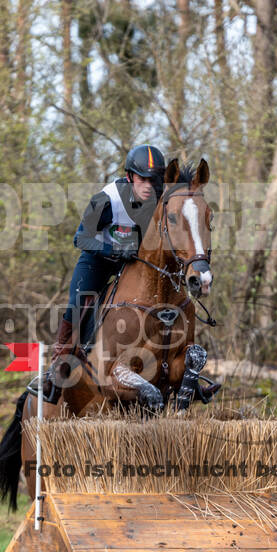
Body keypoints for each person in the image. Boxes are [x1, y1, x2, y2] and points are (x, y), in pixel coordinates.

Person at [43, 144, 166, 403]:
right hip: (97, 261)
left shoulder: (159, 199)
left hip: (131, 264)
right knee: (78, 303)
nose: (148, 186)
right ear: (130, 176)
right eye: (143, 179)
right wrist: (115, 249)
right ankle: (58, 366)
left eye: (153, 180)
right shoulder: (107, 199)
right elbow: (80, 238)